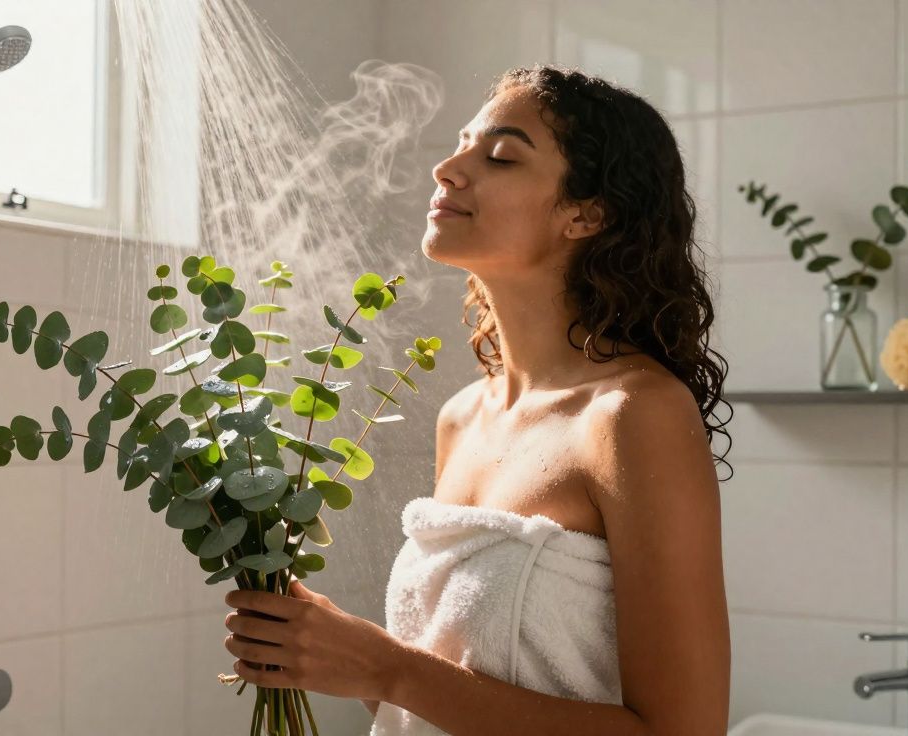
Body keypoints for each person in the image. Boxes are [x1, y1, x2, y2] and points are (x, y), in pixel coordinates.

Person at [222, 63, 732, 735]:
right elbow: (449, 700)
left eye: (499, 155)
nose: (448, 168)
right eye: (461, 144)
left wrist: (388, 670)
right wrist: (332, 656)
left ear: (587, 213)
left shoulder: (633, 414)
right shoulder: (464, 419)